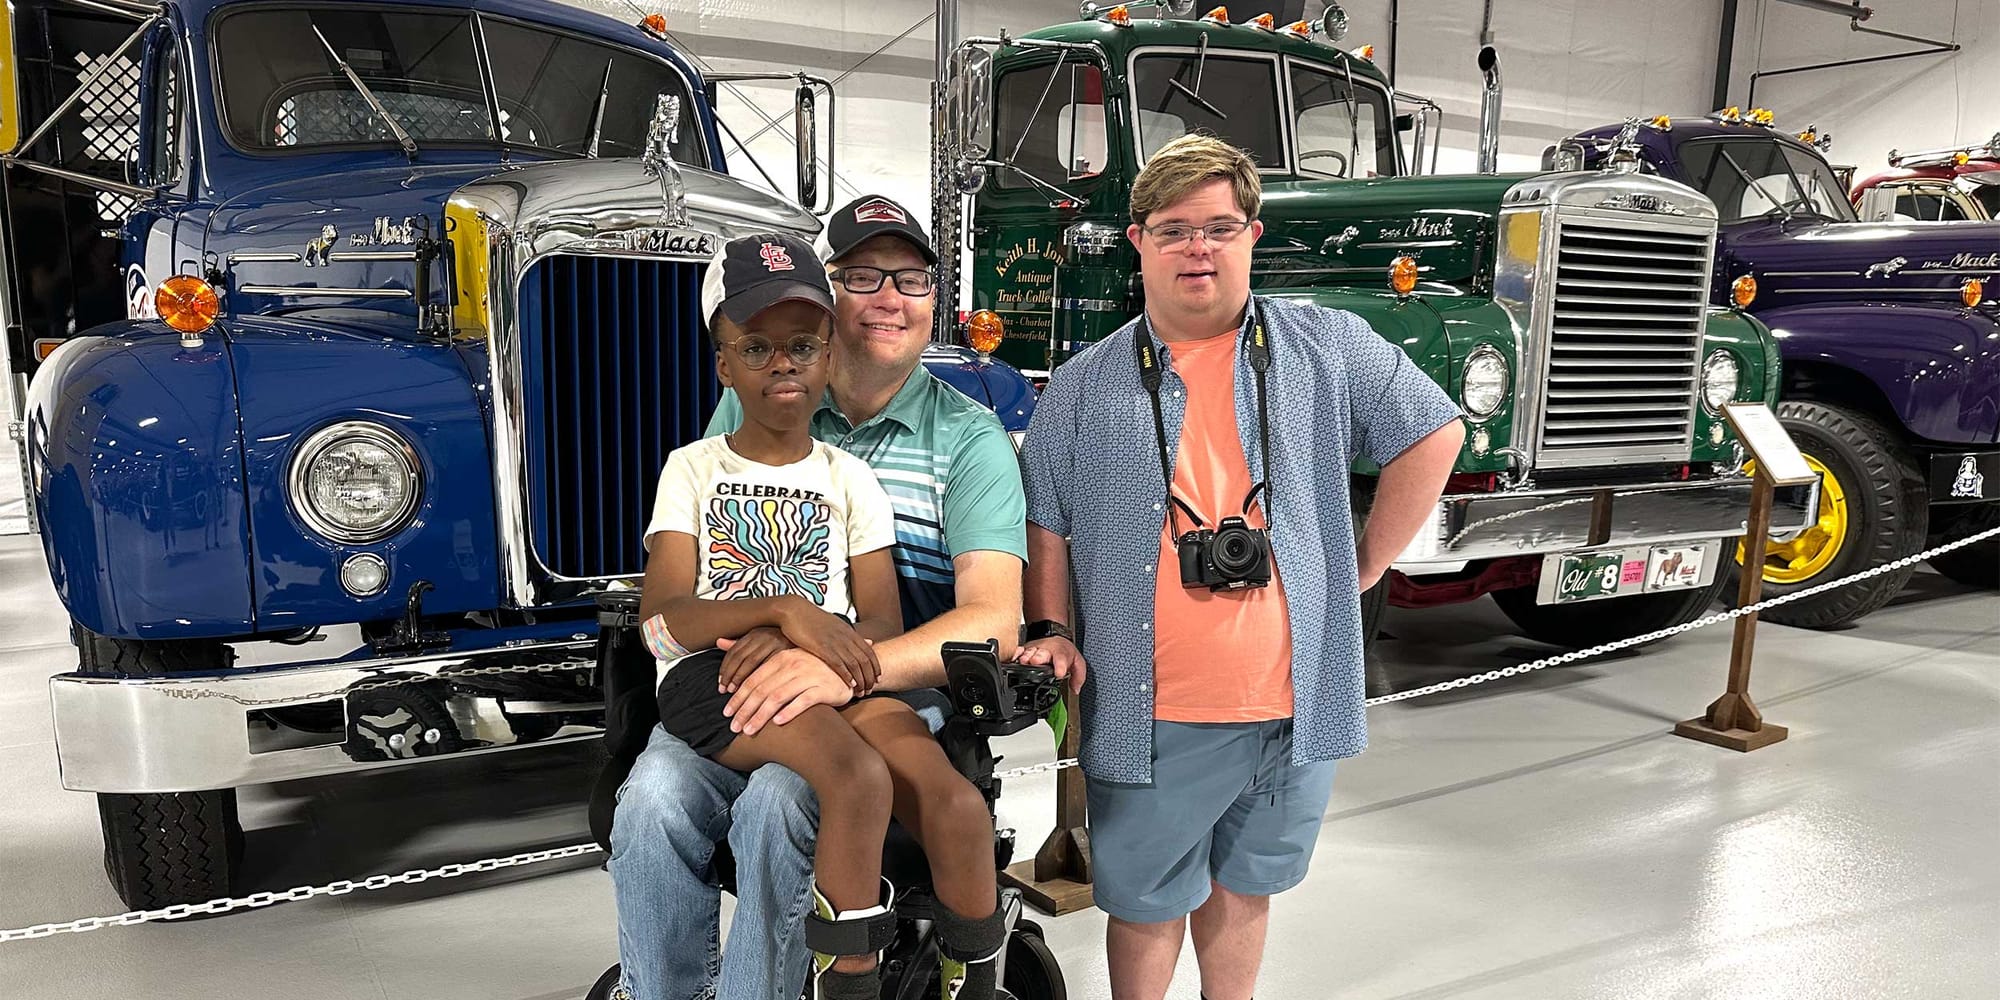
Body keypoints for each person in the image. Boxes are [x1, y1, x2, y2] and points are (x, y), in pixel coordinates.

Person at [1015, 134, 1465, 1000]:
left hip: (1295, 705)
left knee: (1248, 888)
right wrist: (1052, 629)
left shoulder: (1326, 346)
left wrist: (1365, 565)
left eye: (1219, 226)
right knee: (1145, 906)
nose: (1198, 248)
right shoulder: (1081, 384)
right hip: (1152, 712)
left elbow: (1435, 427)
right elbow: (1049, 522)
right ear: (1138, 240)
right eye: (1175, 228)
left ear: (1251, 235)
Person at [609, 199, 1028, 1000]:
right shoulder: (741, 416)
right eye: (864, 275)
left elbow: (989, 619)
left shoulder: (964, 439)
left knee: (780, 805)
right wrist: (774, 615)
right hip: (728, 672)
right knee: (654, 798)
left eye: (911, 278)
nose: (890, 297)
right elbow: (692, 586)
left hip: (865, 676)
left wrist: (823, 654)